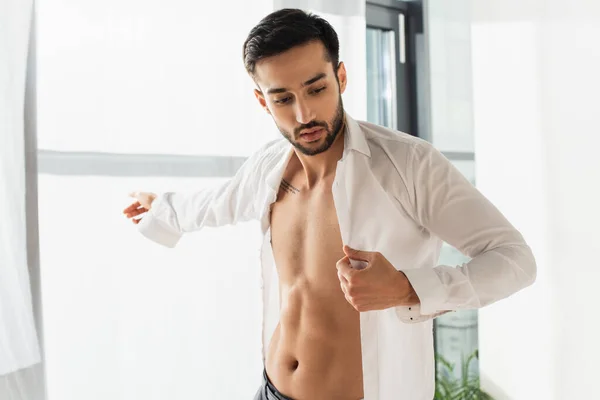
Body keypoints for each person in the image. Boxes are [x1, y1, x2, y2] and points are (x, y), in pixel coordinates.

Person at [122, 8, 536, 400]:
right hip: (271, 389)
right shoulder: (270, 166)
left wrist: (407, 288)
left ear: (340, 76)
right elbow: (217, 203)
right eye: (283, 99)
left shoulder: (408, 164)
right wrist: (161, 208)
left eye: (316, 89)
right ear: (263, 102)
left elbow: (515, 260)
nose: (304, 114)